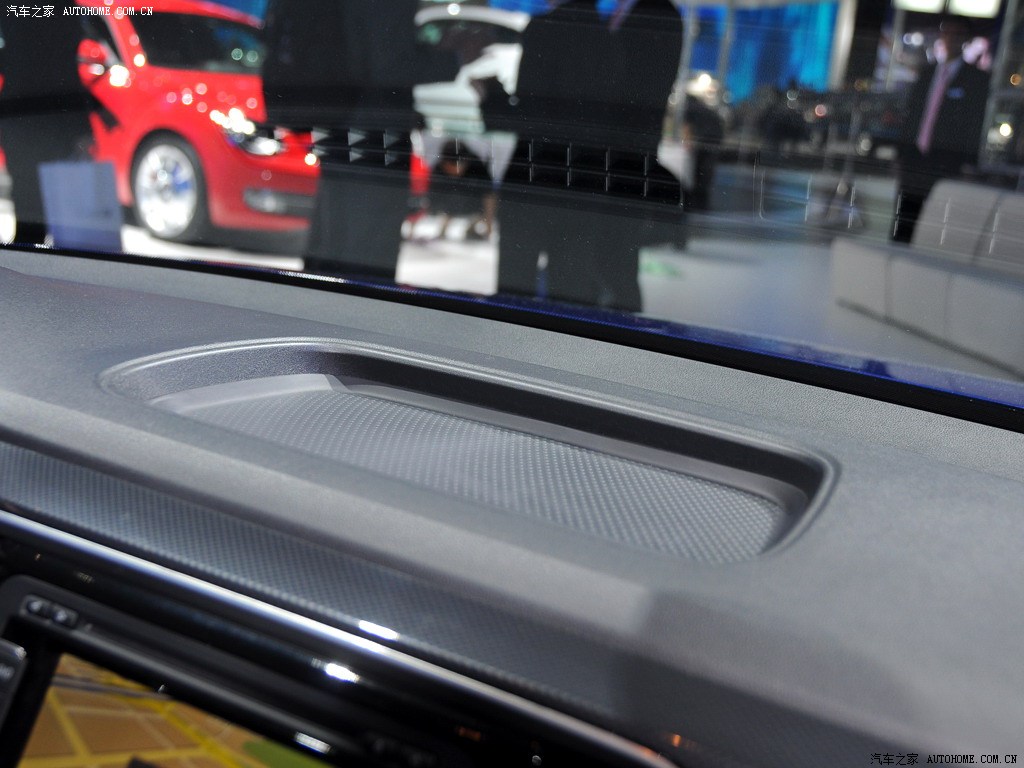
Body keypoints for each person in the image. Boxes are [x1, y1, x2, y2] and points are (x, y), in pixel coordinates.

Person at [487, 0, 683, 312]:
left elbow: (534, 115)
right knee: (575, 285)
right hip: (589, 175)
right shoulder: (604, 34)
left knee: (524, 284)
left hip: (558, 173)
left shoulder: (558, 28)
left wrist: (491, 97)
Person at [262, 0, 460, 279]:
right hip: (373, 137)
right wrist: (453, 57)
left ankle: (322, 298)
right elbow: (388, 66)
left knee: (335, 238)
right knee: (365, 254)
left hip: (341, 126)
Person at [0, 4, 96, 245]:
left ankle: (30, 247)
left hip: (23, 114)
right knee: (50, 194)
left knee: (28, 192)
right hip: (52, 115)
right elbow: (67, 64)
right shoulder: (63, 9)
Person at [893, 18, 990, 242]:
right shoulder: (927, 73)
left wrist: (968, 161)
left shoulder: (976, 79)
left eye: (957, 34)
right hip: (916, 156)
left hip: (947, 158)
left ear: (966, 39)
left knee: (936, 221)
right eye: (947, 33)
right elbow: (912, 115)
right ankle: (898, 251)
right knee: (905, 216)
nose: (951, 38)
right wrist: (901, 152)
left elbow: (974, 122)